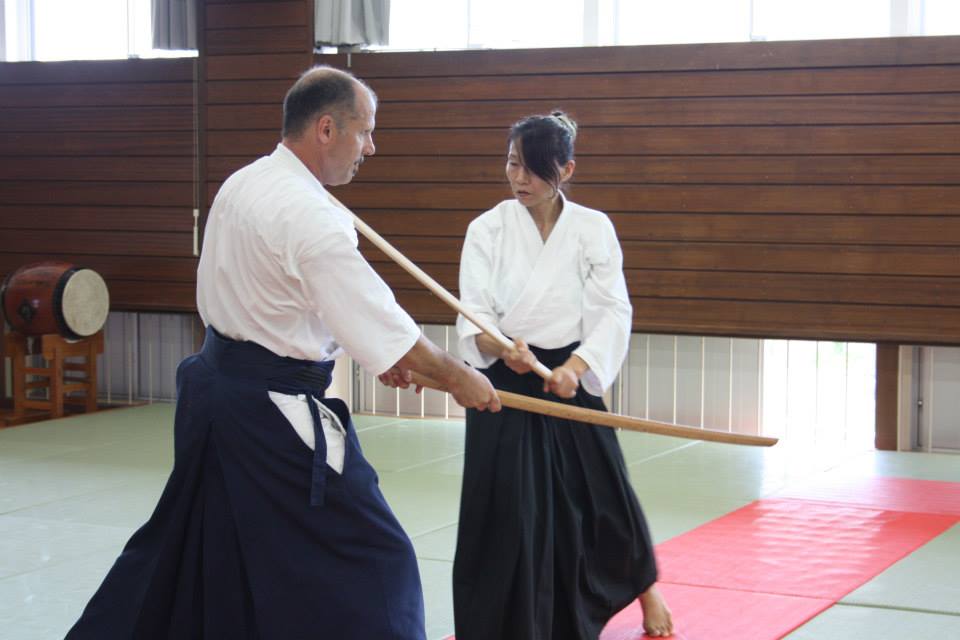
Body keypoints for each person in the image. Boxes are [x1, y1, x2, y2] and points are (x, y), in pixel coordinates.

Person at [65, 65, 500, 640]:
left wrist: (381, 354)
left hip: (218, 399)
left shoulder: (244, 183)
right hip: (272, 412)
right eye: (365, 131)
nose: (371, 147)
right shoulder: (309, 216)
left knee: (209, 548)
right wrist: (459, 376)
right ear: (326, 129)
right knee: (376, 556)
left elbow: (291, 304)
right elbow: (379, 319)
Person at [452, 112, 674, 639]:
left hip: (570, 373)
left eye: (533, 168)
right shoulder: (487, 229)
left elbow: (612, 308)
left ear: (566, 169)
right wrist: (501, 347)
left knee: (604, 489)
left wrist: (576, 367)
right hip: (505, 379)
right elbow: (473, 312)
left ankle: (645, 587)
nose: (519, 178)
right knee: (508, 508)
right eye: (513, 164)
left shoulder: (592, 228)